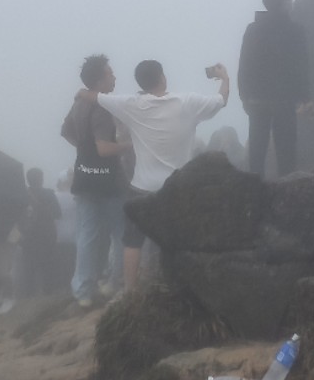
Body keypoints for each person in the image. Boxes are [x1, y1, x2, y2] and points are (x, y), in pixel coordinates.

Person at [80, 59, 229, 290]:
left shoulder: (131, 104)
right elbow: (222, 100)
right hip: (178, 186)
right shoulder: (187, 102)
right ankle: (183, 285)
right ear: (162, 77)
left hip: (142, 187)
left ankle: (130, 292)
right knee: (182, 238)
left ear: (141, 82)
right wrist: (224, 77)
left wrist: (80, 93)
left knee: (132, 240)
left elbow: (92, 96)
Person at [61, 55, 130, 308]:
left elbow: (66, 131)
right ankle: (116, 281)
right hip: (108, 180)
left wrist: (84, 149)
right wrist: (129, 145)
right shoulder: (101, 107)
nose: (114, 77)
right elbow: (104, 149)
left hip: (83, 176)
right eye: (110, 73)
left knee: (86, 234)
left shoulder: (79, 102)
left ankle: (82, 291)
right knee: (120, 233)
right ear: (99, 80)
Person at [238, 0, 314, 177]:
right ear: (283, 3)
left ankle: (254, 197)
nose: (292, 2)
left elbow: (244, 65)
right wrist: (305, 99)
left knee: (257, 152)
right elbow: (301, 67)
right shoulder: (295, 31)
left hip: (257, 101)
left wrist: (244, 97)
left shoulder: (253, 29)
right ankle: (287, 194)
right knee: (286, 152)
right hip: (284, 100)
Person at [17, 168, 62, 297]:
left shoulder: (22, 196)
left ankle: (29, 297)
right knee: (48, 266)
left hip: (28, 236)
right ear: (41, 179)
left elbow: (17, 216)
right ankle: (49, 293)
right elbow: (58, 214)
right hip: (47, 235)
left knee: (29, 268)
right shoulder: (49, 194)